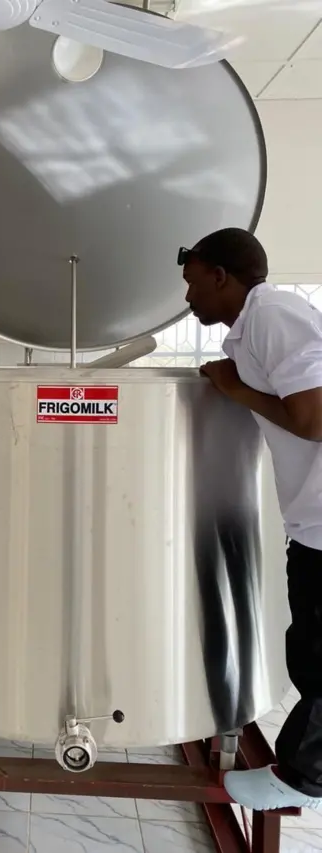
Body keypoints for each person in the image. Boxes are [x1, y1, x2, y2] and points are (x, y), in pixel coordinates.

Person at [180, 226, 322, 811]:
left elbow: (313, 417)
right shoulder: (251, 328)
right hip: (310, 518)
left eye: (193, 285)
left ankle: (304, 780)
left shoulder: (272, 314)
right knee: (309, 644)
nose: (189, 299)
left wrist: (235, 390)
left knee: (318, 652)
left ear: (222, 277)